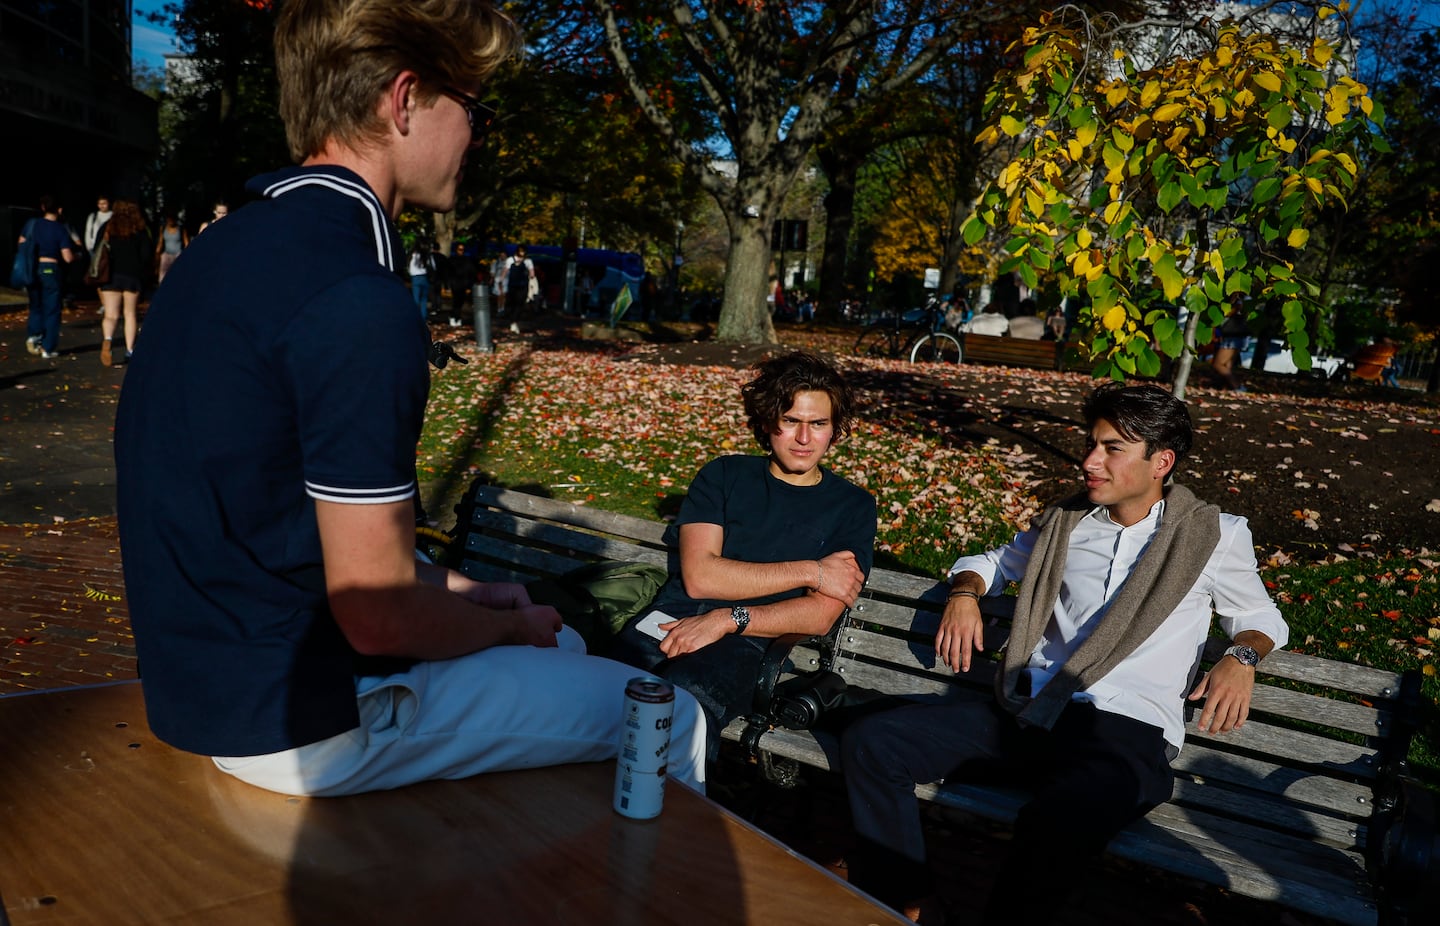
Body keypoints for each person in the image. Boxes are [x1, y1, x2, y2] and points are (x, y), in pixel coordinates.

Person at [113, 0, 707, 799]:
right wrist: (505, 625)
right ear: (404, 100)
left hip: (204, 685)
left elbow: (278, 525)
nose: (476, 138)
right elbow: (378, 617)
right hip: (302, 720)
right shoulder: (355, 298)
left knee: (561, 655)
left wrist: (463, 591)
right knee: (671, 716)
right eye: (475, 110)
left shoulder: (222, 255)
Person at [841, 383, 1288, 925]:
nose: (1089, 461)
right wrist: (964, 595)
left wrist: (1241, 657)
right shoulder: (1067, 525)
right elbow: (989, 563)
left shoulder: (1215, 536)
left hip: (1126, 732)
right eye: (1091, 444)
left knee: (1059, 818)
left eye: (1111, 449)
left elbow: (1261, 619)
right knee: (875, 741)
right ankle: (906, 904)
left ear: (1161, 462)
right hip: (1035, 712)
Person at [609, 351, 876, 756]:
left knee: (682, 709)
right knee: (605, 691)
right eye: (791, 421)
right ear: (769, 420)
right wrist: (811, 571)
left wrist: (727, 619)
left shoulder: (852, 506)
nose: (804, 439)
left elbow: (820, 614)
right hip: (672, 619)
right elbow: (700, 577)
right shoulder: (724, 476)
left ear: (834, 430)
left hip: (753, 641)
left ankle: (670, 814)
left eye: (818, 424)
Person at [97, 200, 153, 367]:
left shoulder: (108, 227)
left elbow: (96, 248)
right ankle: (129, 350)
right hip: (132, 276)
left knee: (110, 314)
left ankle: (107, 341)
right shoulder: (140, 229)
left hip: (111, 275)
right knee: (129, 314)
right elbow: (146, 255)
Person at [19, 195, 75, 360]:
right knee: (52, 309)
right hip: (51, 268)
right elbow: (67, 257)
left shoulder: (32, 225)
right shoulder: (60, 229)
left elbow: (21, 242)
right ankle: (48, 347)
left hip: (32, 267)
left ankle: (34, 335)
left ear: (43, 207)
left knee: (35, 305)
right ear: (59, 210)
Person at [1212, 296, 1248, 392]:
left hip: (1232, 337)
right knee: (1227, 365)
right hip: (1234, 336)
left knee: (1218, 364)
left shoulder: (1239, 301)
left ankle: (1237, 386)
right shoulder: (1240, 300)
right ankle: (1229, 387)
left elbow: (1233, 311)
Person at [153, 210, 190, 284]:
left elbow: (186, 242)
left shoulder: (181, 228)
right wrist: (157, 255)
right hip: (167, 254)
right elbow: (160, 242)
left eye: (172, 218)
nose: (170, 220)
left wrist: (188, 255)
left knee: (179, 277)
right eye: (169, 218)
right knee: (163, 277)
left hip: (178, 254)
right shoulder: (163, 228)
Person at [501, 244, 534, 318]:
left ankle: (514, 317)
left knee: (518, 301)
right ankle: (512, 317)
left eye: (523, 251)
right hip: (515, 285)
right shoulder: (511, 260)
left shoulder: (527, 261)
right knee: (515, 301)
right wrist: (501, 279)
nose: (522, 253)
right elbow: (505, 271)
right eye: (521, 251)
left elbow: (532, 273)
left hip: (521, 285)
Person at [407, 237, 434, 321]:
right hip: (424, 277)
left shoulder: (412, 254)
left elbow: (409, 267)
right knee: (424, 299)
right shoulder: (427, 254)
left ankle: (415, 316)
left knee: (416, 298)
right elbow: (432, 266)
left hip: (415, 278)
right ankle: (423, 316)